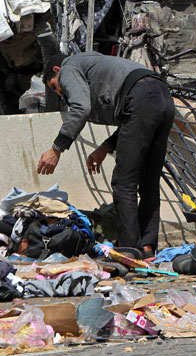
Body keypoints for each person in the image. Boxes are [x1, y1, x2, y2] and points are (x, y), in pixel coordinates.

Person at [36, 51, 175, 257]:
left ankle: (129, 250)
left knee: (123, 183)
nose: (61, 94)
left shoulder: (68, 67)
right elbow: (133, 119)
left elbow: (81, 108)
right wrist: (106, 147)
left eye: (56, 87)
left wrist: (56, 149)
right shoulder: (96, 64)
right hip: (163, 96)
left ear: (57, 71)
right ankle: (147, 248)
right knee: (148, 183)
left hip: (141, 98)